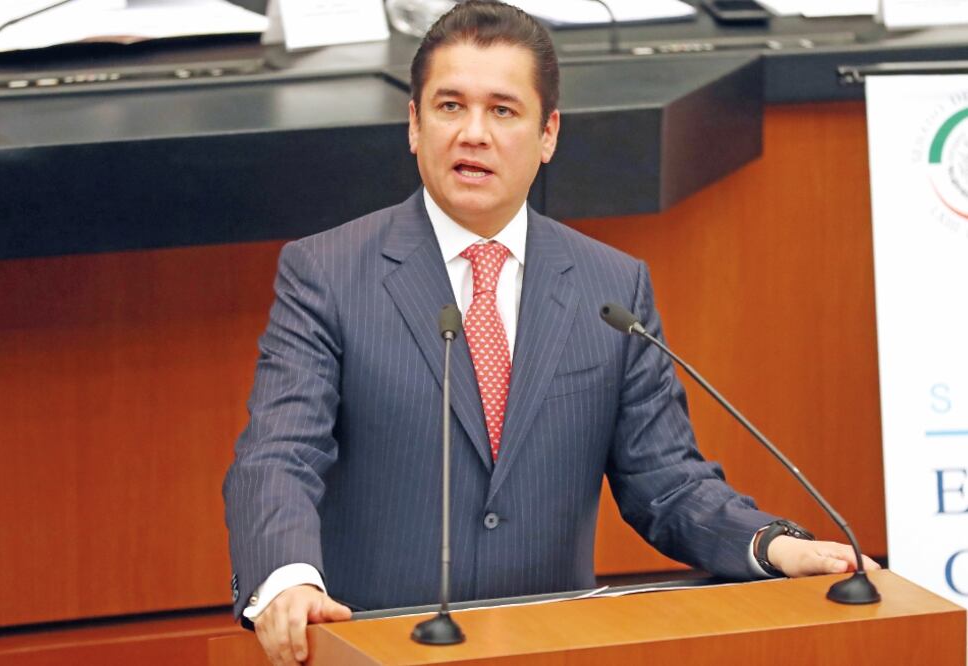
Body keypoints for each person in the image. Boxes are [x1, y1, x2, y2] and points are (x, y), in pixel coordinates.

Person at [223, 2, 879, 664]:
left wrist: (773, 545)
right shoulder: (328, 273)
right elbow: (278, 456)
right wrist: (288, 578)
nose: (473, 133)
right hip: (377, 647)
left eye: (503, 111)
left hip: (555, 649)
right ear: (415, 125)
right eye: (450, 107)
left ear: (548, 135)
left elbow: (668, 483)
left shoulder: (610, 288)